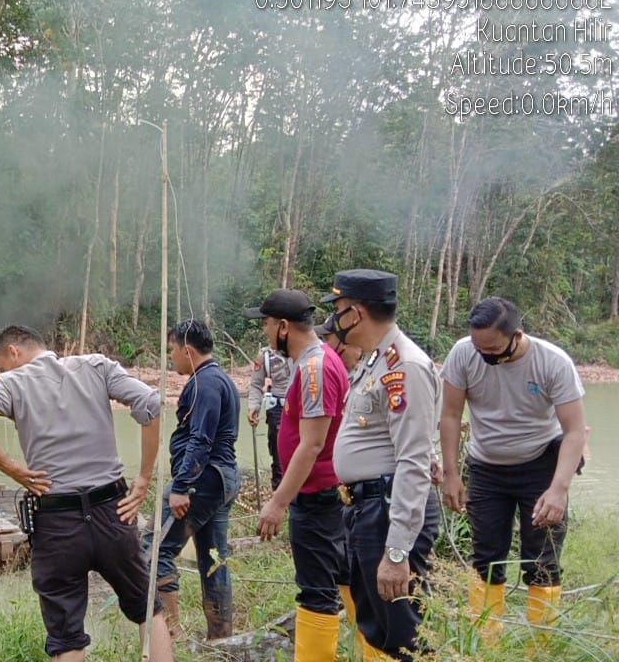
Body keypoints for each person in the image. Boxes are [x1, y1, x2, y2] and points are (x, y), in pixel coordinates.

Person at [0, 325, 175, 662]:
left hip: (57, 524)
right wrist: (143, 477)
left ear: (13, 352)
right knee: (147, 609)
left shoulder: (6, 384)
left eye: (1, 364)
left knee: (67, 638)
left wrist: (12, 469)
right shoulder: (97, 366)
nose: (1, 371)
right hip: (114, 512)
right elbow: (151, 402)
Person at [439, 297, 587, 642]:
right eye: (478, 347)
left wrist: (559, 489)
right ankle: (487, 640)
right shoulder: (463, 353)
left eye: (492, 349)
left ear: (516, 336)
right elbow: (450, 415)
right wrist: (451, 473)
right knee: (486, 556)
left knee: (542, 559)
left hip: (541, 466)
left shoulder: (552, 362)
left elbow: (575, 431)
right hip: (486, 468)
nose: (484, 355)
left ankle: (541, 645)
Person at [324, 269, 441, 661]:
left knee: (404, 633)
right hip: (368, 509)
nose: (335, 319)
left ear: (356, 313)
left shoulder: (405, 366)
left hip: (387, 511)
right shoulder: (376, 361)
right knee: (377, 627)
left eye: (339, 309)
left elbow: (413, 460)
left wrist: (397, 552)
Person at [247, 290, 349, 661]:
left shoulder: (314, 368)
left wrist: (278, 502)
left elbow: (312, 444)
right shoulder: (314, 362)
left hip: (317, 497)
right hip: (322, 493)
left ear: (284, 327)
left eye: (266, 325)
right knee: (344, 577)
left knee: (316, 591)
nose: (265, 333)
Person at [149, 319, 241, 640]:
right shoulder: (219, 379)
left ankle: (170, 636)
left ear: (187, 350)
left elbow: (201, 439)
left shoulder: (206, 384)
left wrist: (181, 486)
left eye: (172, 350)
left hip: (204, 480)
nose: (171, 357)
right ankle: (221, 638)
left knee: (155, 551)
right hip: (222, 478)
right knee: (214, 559)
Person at [248, 340, 293, 490]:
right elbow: (256, 384)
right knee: (279, 456)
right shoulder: (265, 355)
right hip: (277, 408)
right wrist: (254, 406)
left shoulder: (304, 348)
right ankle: (280, 493)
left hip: (302, 406)